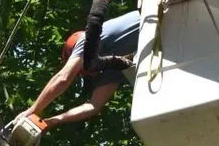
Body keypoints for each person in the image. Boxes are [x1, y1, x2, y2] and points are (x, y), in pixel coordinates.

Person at [9, 9, 142, 134]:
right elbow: (93, 106)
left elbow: (63, 78)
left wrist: (33, 110)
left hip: (157, 19)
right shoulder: (111, 66)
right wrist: (51, 122)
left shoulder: (87, 40)